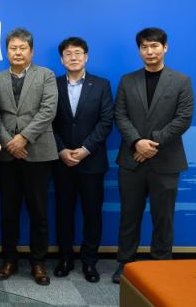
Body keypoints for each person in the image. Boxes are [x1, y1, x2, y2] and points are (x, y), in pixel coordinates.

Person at [112, 27, 194, 284]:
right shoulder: (127, 81)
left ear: (165, 48)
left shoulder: (181, 81)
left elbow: (183, 118)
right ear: (139, 50)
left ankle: (161, 266)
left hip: (166, 161)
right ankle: (126, 264)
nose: (149, 51)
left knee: (163, 217)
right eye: (144, 47)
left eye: (154, 46)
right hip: (131, 161)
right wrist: (137, 142)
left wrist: (152, 144)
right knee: (129, 216)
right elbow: (120, 115)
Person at [0, 28, 58, 286]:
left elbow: (48, 110)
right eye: (13, 48)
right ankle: (9, 260)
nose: (17, 52)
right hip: (8, 155)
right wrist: (9, 142)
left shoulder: (46, 75)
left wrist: (24, 138)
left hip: (38, 152)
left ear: (31, 51)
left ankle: (38, 262)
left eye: (22, 48)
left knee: (38, 212)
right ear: (6, 51)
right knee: (8, 212)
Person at [51, 37, 114, 283]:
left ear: (86, 57)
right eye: (68, 54)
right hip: (62, 161)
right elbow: (47, 121)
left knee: (92, 214)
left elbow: (106, 122)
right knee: (63, 213)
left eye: (78, 53)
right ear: (62, 59)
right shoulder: (53, 84)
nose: (73, 57)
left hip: (92, 161)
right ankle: (65, 258)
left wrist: (86, 149)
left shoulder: (101, 85)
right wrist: (61, 150)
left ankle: (89, 262)